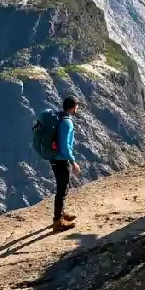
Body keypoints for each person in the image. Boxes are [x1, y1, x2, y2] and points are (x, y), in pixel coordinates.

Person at [51, 96, 82, 231]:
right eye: (77, 106)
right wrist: (73, 161)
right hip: (61, 160)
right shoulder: (67, 123)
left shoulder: (59, 117)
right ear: (74, 106)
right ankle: (58, 221)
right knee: (62, 189)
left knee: (63, 187)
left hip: (54, 158)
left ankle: (61, 214)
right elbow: (65, 146)